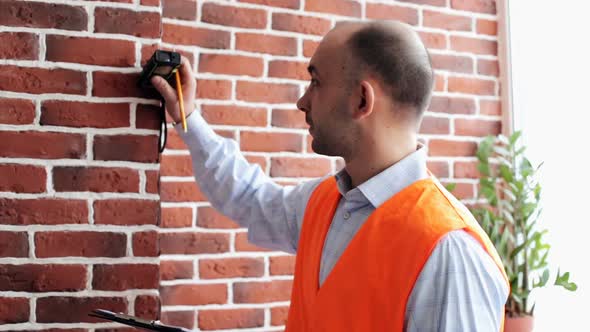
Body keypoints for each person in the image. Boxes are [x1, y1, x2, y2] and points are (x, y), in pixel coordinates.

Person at [151, 20, 509, 332]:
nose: (302, 102)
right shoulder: (324, 204)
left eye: (316, 83)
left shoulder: (448, 251)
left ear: (361, 101)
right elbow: (250, 199)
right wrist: (189, 118)